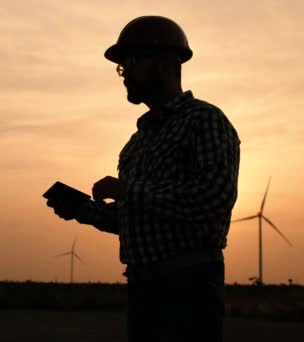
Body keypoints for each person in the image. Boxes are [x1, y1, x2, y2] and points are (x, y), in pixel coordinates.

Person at [46, 15, 240, 342]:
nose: (124, 75)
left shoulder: (204, 120)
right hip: (142, 290)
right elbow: (138, 218)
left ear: (165, 63)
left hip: (188, 289)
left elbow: (213, 198)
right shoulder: (136, 144)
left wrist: (126, 189)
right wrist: (83, 210)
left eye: (132, 62)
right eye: (121, 67)